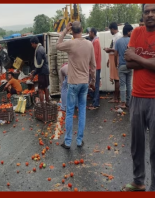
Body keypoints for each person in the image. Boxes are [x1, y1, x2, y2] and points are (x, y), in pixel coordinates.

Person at [121, 4, 155, 192]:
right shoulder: (136, 33)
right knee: (137, 144)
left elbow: (135, 60)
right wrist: (148, 62)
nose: (150, 14)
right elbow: (128, 61)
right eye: (146, 11)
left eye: (154, 11)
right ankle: (138, 181)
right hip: (136, 96)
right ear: (142, 14)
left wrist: (139, 58)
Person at [56, 21, 96, 149]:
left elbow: (57, 45)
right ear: (82, 29)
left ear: (72, 31)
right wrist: (93, 81)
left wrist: (65, 31)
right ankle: (79, 141)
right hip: (84, 82)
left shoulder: (71, 43)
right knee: (82, 110)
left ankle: (67, 142)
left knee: (69, 112)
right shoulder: (89, 44)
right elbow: (93, 66)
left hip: (73, 82)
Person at [114, 24, 133, 109]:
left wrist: (115, 64)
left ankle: (123, 103)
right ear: (128, 31)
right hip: (130, 65)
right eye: (131, 31)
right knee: (129, 84)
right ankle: (129, 102)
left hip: (121, 65)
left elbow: (115, 54)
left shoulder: (118, 41)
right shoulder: (131, 41)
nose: (132, 32)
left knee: (122, 85)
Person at [103, 22, 122, 103]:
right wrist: (108, 60)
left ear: (113, 29)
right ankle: (117, 97)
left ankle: (116, 98)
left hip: (115, 58)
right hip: (112, 58)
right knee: (115, 79)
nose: (110, 31)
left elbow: (116, 50)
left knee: (116, 79)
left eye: (110, 29)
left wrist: (109, 50)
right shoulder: (116, 36)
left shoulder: (118, 37)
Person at [29, 36, 50, 103]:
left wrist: (33, 74)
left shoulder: (38, 51)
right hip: (46, 71)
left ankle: (42, 105)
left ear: (34, 43)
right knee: (46, 87)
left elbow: (39, 66)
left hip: (42, 72)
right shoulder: (42, 48)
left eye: (32, 44)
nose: (32, 46)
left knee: (40, 89)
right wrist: (34, 70)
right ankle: (47, 102)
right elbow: (39, 64)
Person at [88, 27, 102, 110]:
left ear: (92, 33)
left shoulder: (96, 41)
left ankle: (96, 103)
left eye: (89, 32)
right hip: (96, 66)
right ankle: (95, 100)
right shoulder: (95, 41)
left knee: (95, 85)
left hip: (95, 67)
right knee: (93, 85)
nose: (89, 34)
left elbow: (95, 56)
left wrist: (91, 68)